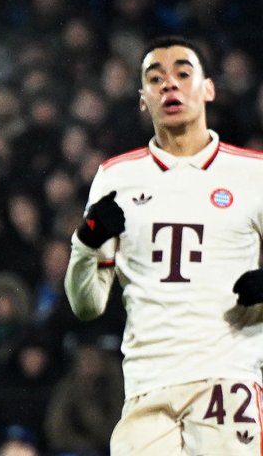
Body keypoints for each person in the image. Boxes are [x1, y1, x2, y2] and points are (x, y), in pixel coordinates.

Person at [65, 35, 263, 455]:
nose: (169, 85)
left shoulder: (253, 175)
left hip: (227, 380)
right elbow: (88, 305)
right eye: (156, 79)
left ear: (208, 88)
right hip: (146, 386)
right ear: (142, 99)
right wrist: (85, 244)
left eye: (183, 74)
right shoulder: (115, 178)